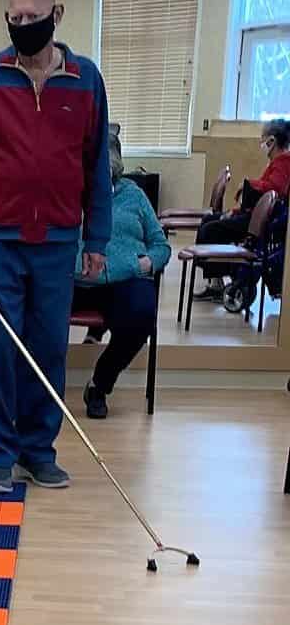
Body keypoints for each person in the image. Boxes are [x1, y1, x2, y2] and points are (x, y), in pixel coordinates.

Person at [0, 0, 111, 493]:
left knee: (48, 348)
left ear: (55, 15)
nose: (22, 28)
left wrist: (98, 240)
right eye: (13, 20)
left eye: (32, 20)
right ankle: (0, 454)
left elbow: (96, 164)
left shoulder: (85, 80)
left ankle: (40, 451)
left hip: (59, 237)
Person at [72, 134, 169, 418]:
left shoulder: (134, 194)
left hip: (126, 279)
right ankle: (40, 389)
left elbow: (160, 244)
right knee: (35, 309)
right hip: (75, 279)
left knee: (141, 315)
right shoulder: (68, 192)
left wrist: (146, 265)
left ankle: (100, 384)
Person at [192, 119, 290, 300]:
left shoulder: (284, 161)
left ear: (272, 141)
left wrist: (249, 184)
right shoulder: (278, 162)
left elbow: (274, 189)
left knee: (210, 228)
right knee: (209, 222)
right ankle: (215, 281)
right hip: (256, 215)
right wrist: (235, 211)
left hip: (264, 221)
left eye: (263, 138)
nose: (261, 142)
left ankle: (216, 284)